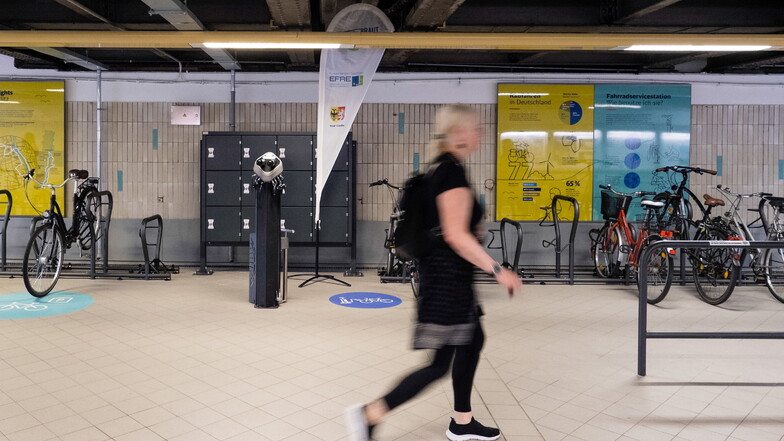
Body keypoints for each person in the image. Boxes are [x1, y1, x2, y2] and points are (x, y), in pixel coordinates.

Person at [345, 104, 522, 441]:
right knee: (441, 363)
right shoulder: (450, 172)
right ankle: (370, 413)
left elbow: (449, 228)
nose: (479, 132)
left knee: (470, 342)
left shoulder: (443, 168)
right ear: (458, 133)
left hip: (444, 277)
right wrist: (498, 269)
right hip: (448, 282)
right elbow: (455, 235)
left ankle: (462, 420)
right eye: (474, 127)